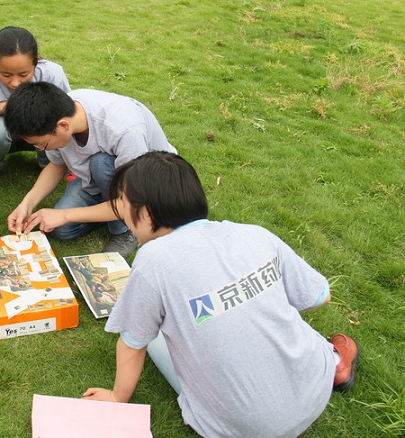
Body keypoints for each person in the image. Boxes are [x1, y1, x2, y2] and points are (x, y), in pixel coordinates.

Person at [82, 151, 360, 437]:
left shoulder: (153, 259)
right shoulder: (255, 234)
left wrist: (117, 397)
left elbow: (133, 342)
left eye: (123, 203)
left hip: (241, 429)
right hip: (316, 389)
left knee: (150, 337)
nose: (122, 215)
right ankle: (335, 361)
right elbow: (319, 296)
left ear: (147, 212)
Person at [4, 82, 177, 256]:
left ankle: (127, 229)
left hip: (144, 189)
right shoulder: (59, 113)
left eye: (42, 144)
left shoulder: (124, 130)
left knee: (100, 163)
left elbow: (132, 200)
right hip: (100, 177)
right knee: (60, 230)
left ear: (63, 126)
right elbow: (56, 165)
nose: (41, 149)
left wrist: (65, 215)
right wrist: (27, 204)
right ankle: (106, 209)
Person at [0, 27, 72, 187]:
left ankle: (52, 164)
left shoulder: (52, 74)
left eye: (24, 74)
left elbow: (68, 115)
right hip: (0, 130)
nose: (15, 83)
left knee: (50, 121)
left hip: (41, 131)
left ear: (36, 61)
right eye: (6, 75)